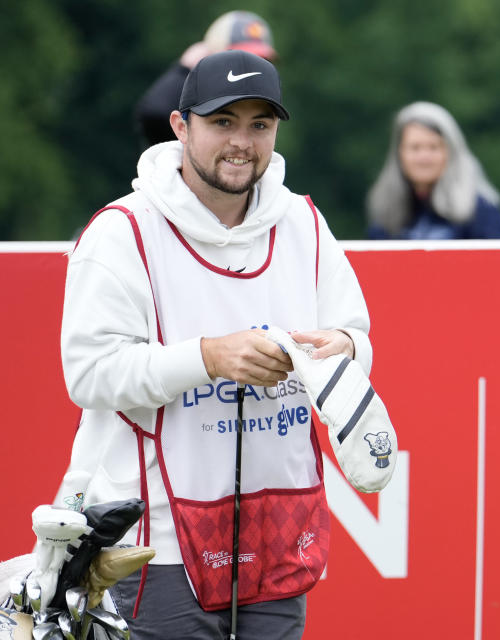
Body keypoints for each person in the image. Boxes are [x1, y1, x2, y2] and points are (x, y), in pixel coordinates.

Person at [56, 49, 372, 639]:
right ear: (181, 127)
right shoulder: (123, 230)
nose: (241, 143)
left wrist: (340, 348)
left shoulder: (302, 221)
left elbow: (356, 338)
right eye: (223, 122)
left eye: (260, 125)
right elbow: (89, 373)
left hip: (277, 527)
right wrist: (208, 357)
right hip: (155, 543)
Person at [366, 101, 500, 239]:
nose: (424, 157)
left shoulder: (480, 210)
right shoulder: (388, 209)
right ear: (399, 153)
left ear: (451, 152)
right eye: (415, 147)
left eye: (434, 147)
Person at [135, 10, 276, 148]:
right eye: (238, 58)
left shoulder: (265, 106)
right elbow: (155, 114)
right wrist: (184, 71)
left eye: (261, 60)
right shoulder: (200, 105)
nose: (251, 68)